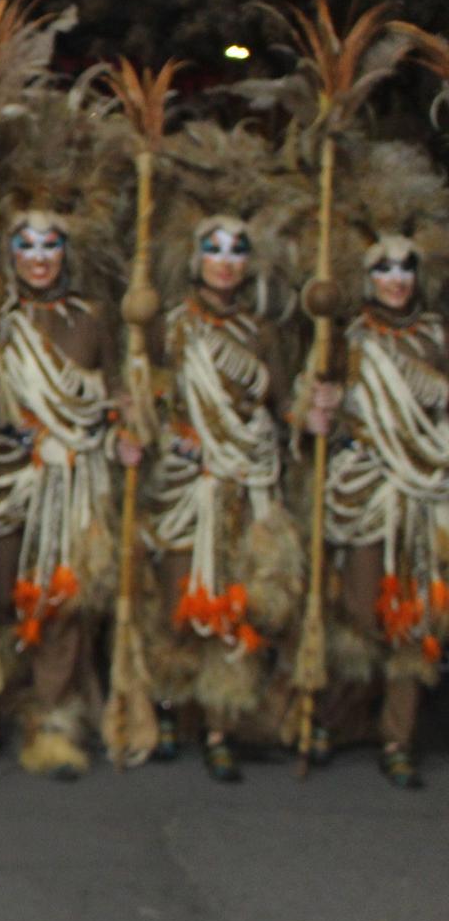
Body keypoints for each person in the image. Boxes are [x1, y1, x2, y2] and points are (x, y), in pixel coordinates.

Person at [144, 123, 307, 783]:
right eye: (214, 247)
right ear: (195, 256)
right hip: (184, 484)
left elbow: (283, 407)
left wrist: (310, 410)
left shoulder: (265, 331)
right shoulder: (168, 322)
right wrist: (143, 416)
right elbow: (149, 395)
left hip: (244, 481)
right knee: (177, 594)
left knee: (233, 601)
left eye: (238, 249)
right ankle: (168, 711)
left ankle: (220, 724)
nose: (226, 259)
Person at [0, 116, 129, 781]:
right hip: (8, 484)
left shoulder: (93, 321)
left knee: (59, 598)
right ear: (10, 253)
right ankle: (2, 698)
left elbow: (123, 396)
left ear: (65, 253)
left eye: (50, 246)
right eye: (25, 245)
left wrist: (127, 427)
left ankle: (57, 715)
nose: (38, 257)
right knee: (4, 590)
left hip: (73, 486)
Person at [308, 143, 449, 789]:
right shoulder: (344, 341)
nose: (396, 279)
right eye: (384, 268)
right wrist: (314, 412)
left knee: (413, 618)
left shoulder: (437, 340)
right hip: (364, 495)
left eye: (405, 268)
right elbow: (301, 407)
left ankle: (398, 735)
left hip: (422, 493)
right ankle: (344, 715)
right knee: (362, 610)